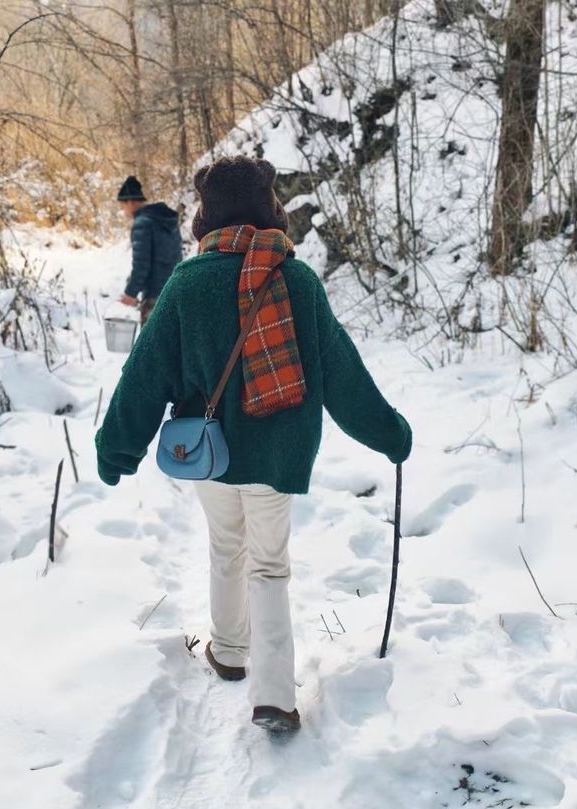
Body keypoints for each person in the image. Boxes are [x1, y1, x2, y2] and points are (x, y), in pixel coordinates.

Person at [96, 156, 412, 733]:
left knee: (226, 548)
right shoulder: (296, 279)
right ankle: (273, 696)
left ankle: (230, 652)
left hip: (209, 451)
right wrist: (388, 432)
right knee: (269, 566)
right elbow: (342, 371)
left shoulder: (187, 284)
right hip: (277, 452)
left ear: (206, 214)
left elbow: (144, 374)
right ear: (269, 208)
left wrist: (117, 447)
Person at [117, 175, 182, 326]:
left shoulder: (142, 224)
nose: (123, 211)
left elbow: (141, 265)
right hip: (175, 292)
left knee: (151, 347)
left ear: (131, 202)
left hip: (154, 297)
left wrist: (130, 293)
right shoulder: (168, 221)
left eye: (122, 206)